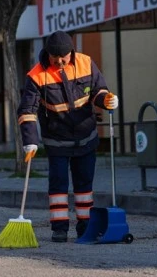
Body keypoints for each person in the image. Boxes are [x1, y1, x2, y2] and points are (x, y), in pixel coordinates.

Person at [17, 30, 119, 242]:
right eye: (56, 59)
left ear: (71, 52)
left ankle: (85, 226)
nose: (60, 62)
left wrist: (107, 99)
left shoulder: (86, 63)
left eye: (64, 58)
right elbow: (27, 110)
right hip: (56, 139)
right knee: (59, 185)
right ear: (48, 55)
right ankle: (60, 228)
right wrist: (30, 141)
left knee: (84, 186)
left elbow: (98, 90)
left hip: (86, 135)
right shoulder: (36, 76)